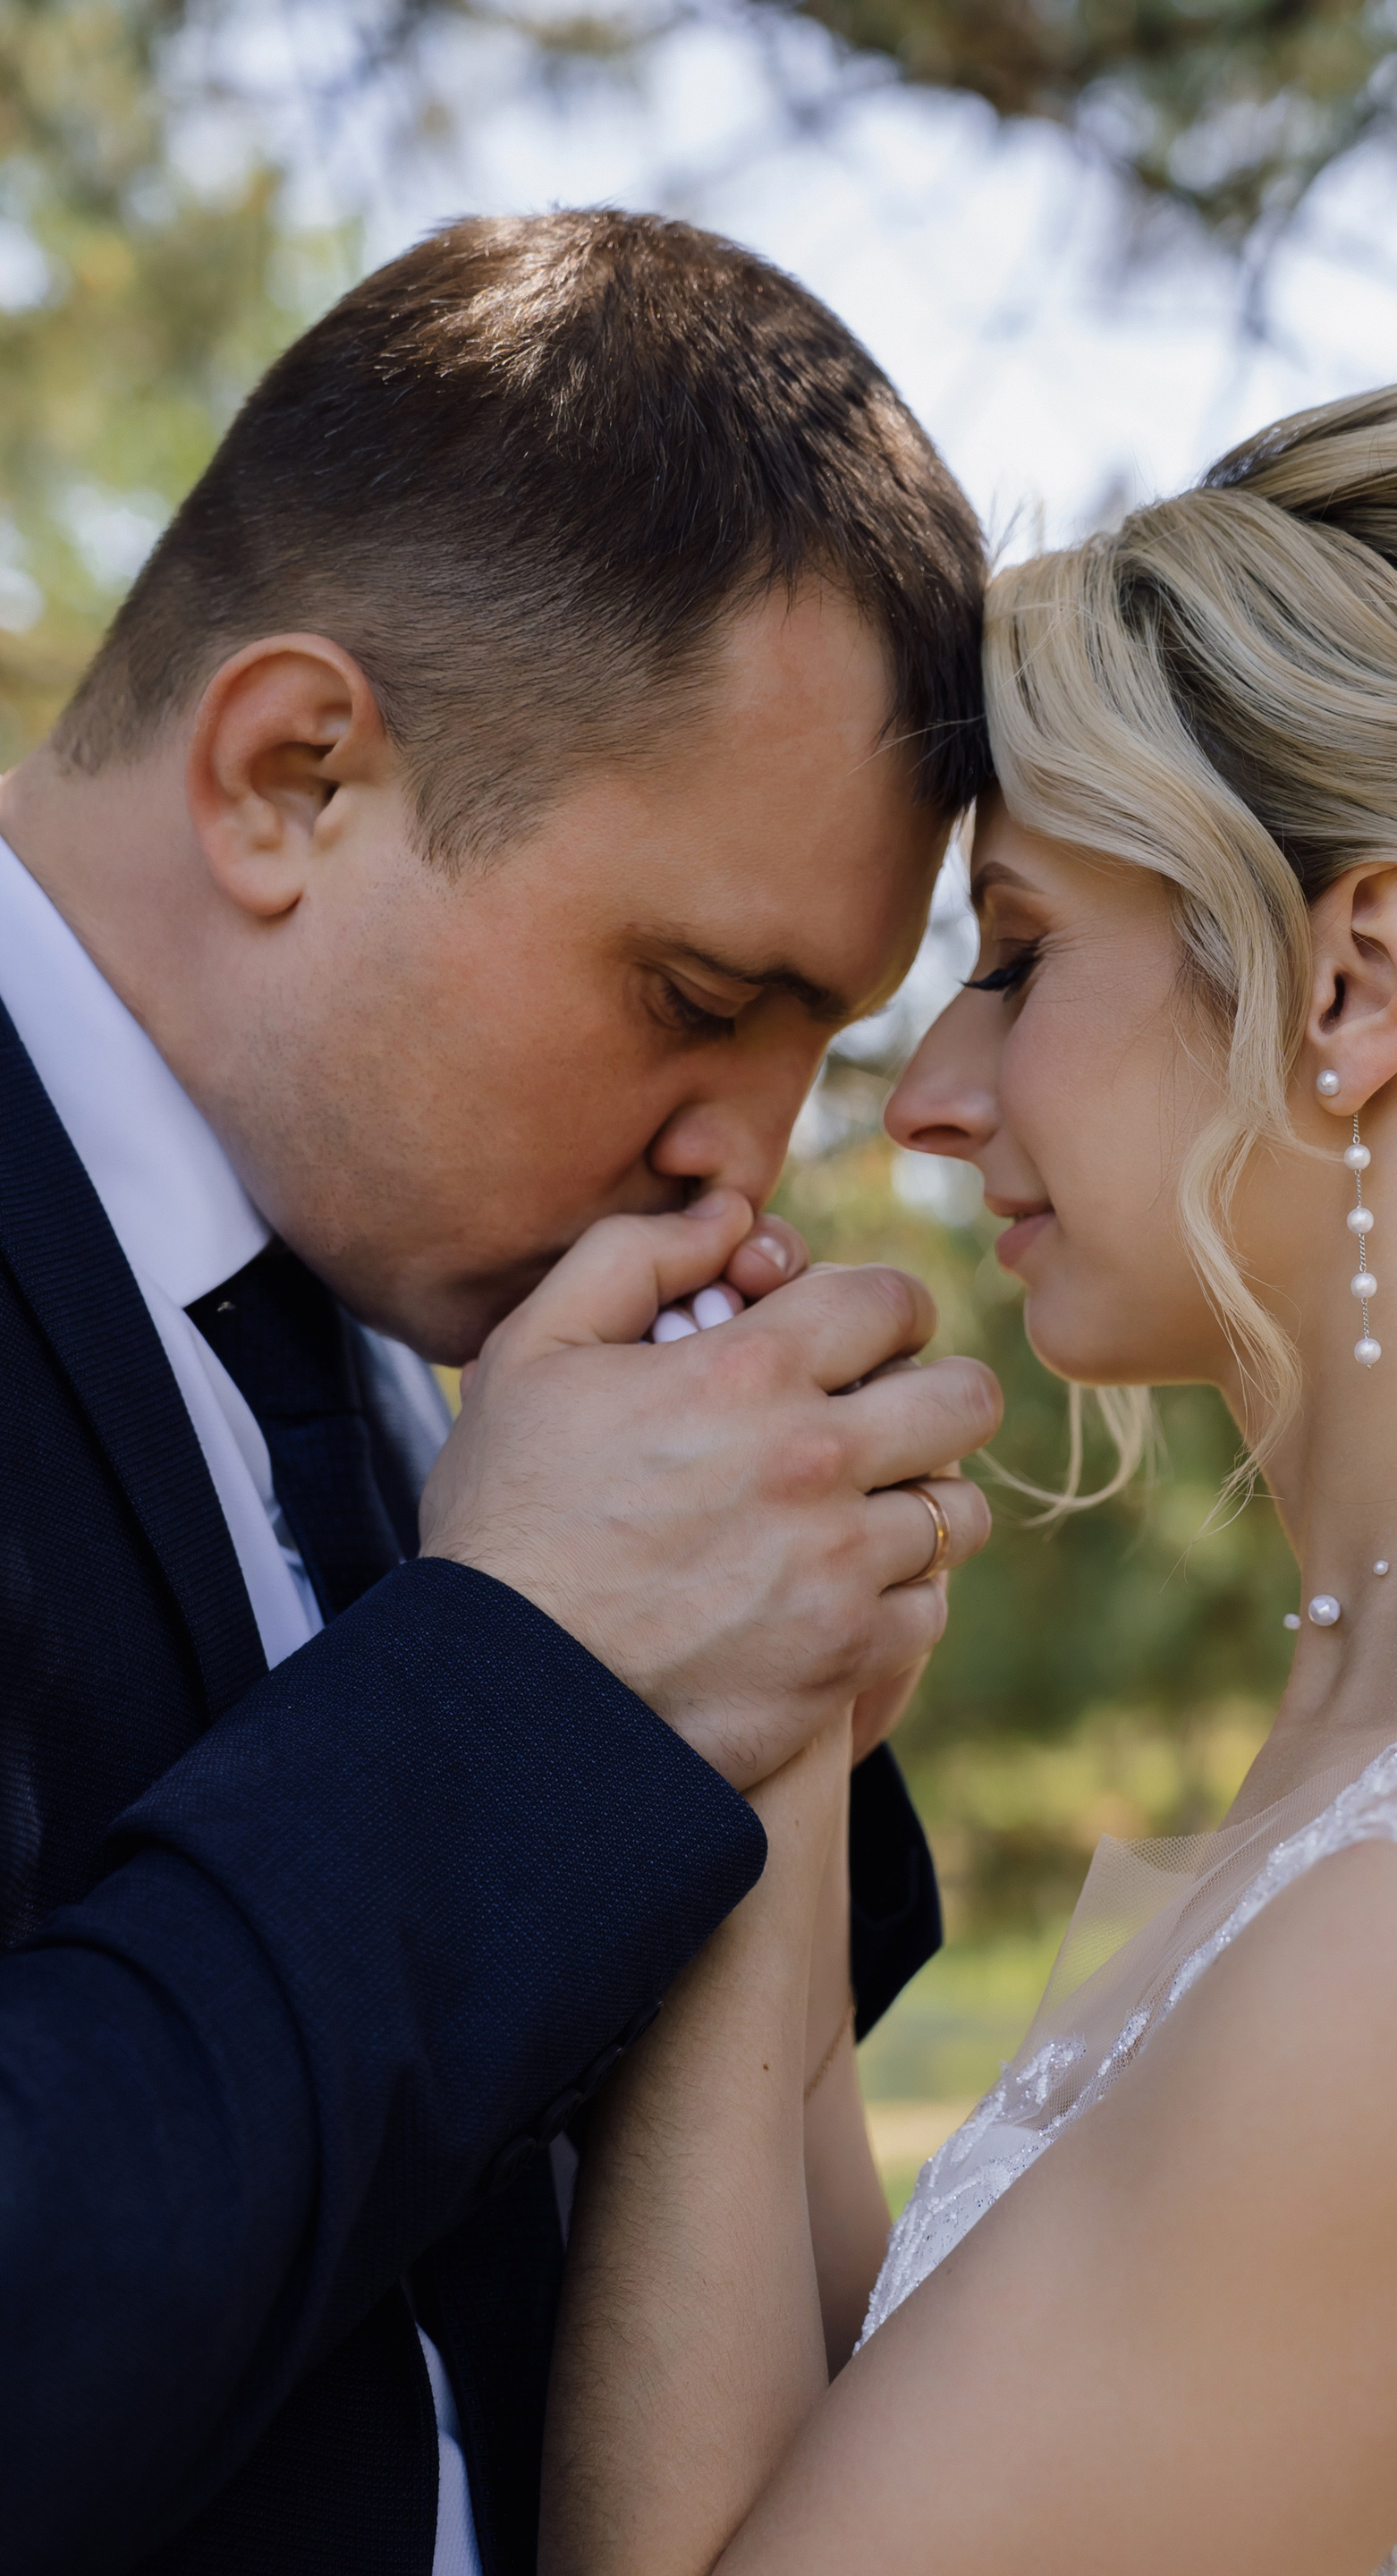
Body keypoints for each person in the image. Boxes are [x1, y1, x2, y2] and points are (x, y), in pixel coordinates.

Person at [541, 377, 1397, 2574]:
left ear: (1352, 983)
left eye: (1017, 957)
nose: (929, 1097)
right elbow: (895, 2453)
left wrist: (712, 1743)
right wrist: (773, 1741)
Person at [0, 209, 1004, 2576]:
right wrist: (530, 1690)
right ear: (291, 776)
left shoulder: (412, 1319)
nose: (749, 1158)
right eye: (696, 999)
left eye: (820, 1044)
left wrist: (745, 1698)